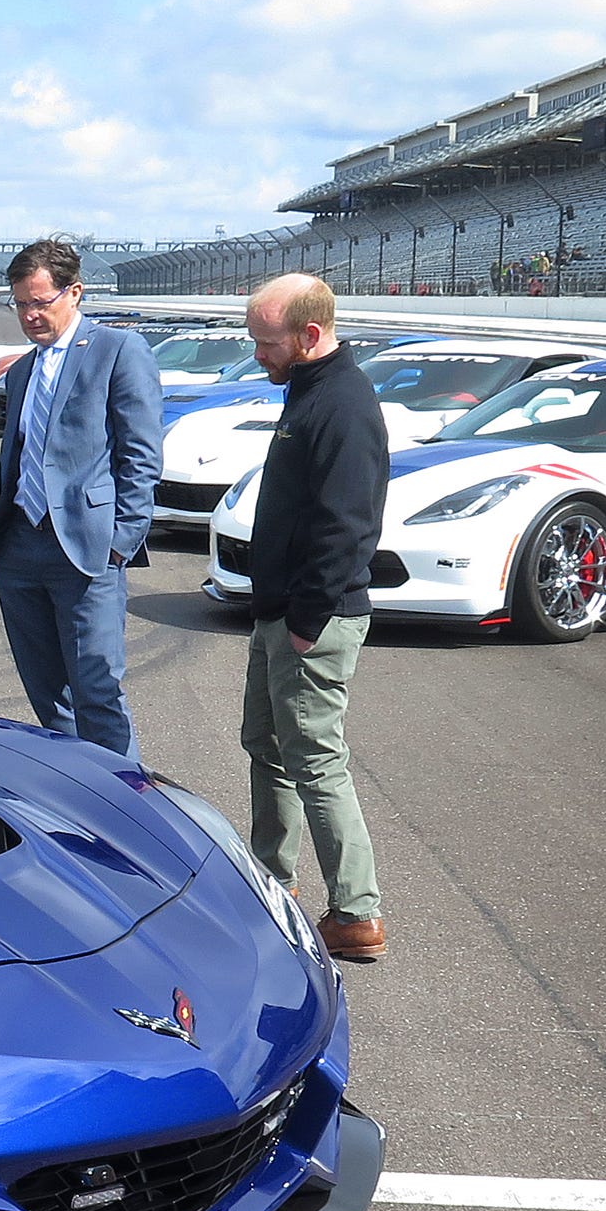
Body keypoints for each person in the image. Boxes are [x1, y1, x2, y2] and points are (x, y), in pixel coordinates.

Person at [0, 239, 163, 757]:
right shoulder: (24, 369)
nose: (29, 315)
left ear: (74, 292)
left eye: (39, 301)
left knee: (97, 691)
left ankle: (128, 812)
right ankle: (78, 802)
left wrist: (120, 539)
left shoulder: (118, 350)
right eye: (20, 304)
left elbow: (141, 453)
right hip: (19, 548)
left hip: (87, 549)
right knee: (49, 698)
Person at [240, 273, 387, 962]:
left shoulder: (344, 406)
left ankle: (356, 915)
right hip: (282, 615)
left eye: (267, 343)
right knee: (267, 746)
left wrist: (305, 621)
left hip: (311, 623)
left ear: (310, 334)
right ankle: (272, 882)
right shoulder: (309, 390)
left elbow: (347, 527)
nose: (258, 355)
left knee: (316, 762)